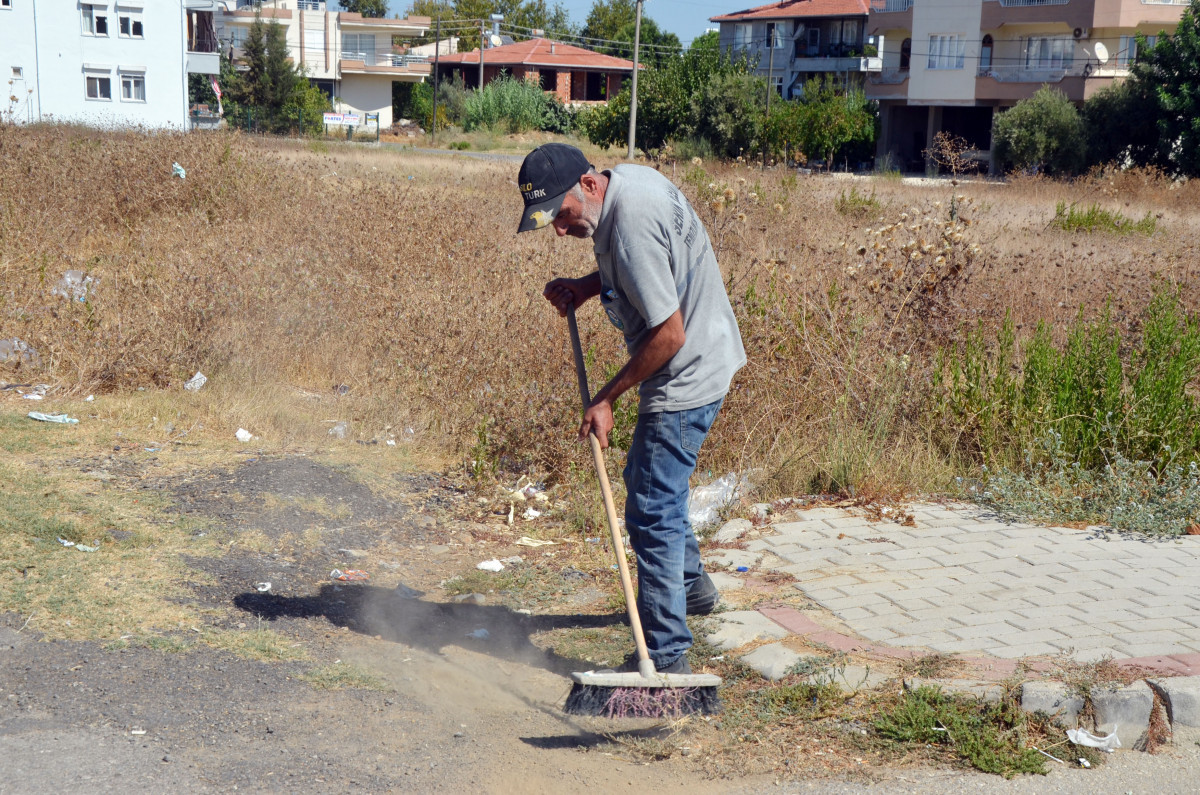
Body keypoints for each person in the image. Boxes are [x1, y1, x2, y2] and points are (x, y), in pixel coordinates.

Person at [516, 143, 746, 674]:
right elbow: (641, 272)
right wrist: (587, 286)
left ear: (589, 186)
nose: (557, 229)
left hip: (685, 372)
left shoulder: (631, 223)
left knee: (651, 510)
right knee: (651, 482)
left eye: (561, 213)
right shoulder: (626, 187)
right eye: (548, 219)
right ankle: (691, 589)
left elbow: (669, 334)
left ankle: (665, 657)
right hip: (706, 353)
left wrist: (606, 398)